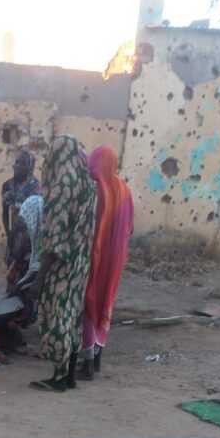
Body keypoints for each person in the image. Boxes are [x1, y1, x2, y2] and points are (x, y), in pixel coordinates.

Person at [29, 136, 97, 393]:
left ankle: (58, 377)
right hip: (80, 263)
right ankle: (69, 376)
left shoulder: (62, 187)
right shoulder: (88, 184)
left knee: (56, 316)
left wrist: (39, 277)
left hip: (61, 265)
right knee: (72, 316)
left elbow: (56, 239)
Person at [80, 146, 134, 379]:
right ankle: (98, 358)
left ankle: (87, 365)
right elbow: (130, 227)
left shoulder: (94, 190)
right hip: (115, 260)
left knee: (88, 304)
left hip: (94, 258)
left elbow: (85, 228)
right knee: (105, 304)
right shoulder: (124, 190)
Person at [6, 193, 44, 325]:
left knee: (27, 293)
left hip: (33, 266)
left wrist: (19, 285)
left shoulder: (44, 235)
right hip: (23, 261)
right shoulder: (25, 221)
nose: (23, 223)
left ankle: (26, 318)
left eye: (25, 221)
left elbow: (37, 269)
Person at [1, 150, 41, 260]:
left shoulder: (36, 187)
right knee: (12, 266)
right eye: (16, 162)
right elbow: (5, 213)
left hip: (31, 238)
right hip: (14, 236)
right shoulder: (7, 186)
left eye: (23, 164)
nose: (18, 166)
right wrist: (8, 234)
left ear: (31, 167)